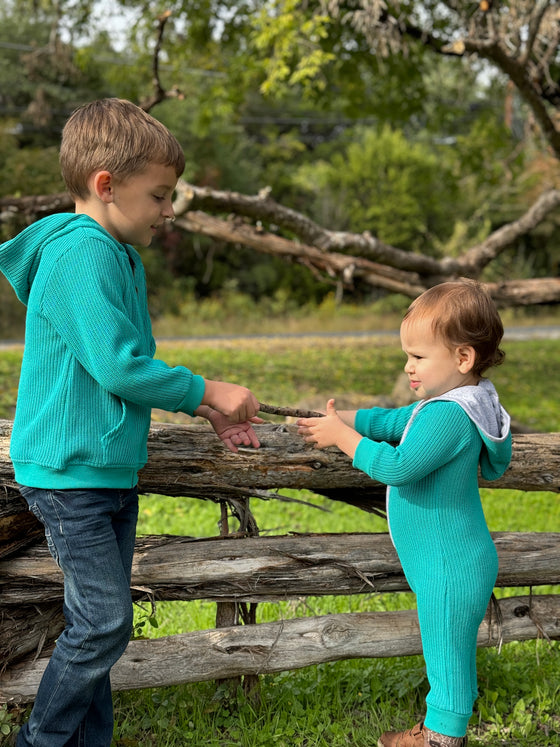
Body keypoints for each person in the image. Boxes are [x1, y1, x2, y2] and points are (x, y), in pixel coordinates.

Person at [0, 98, 262, 747]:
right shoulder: (80, 255)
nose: (169, 210)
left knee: (98, 623)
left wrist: (207, 409)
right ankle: (39, 741)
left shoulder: (114, 253)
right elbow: (120, 367)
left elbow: (127, 365)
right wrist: (207, 386)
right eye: (160, 195)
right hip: (69, 473)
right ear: (106, 185)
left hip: (105, 470)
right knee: (104, 623)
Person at [297, 280, 512, 747]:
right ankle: (441, 730)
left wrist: (341, 438)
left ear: (462, 359)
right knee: (447, 650)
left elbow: (399, 466)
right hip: (448, 560)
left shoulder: (449, 417)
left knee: (447, 655)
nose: (408, 367)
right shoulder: (449, 406)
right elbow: (392, 421)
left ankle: (439, 739)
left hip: (450, 565)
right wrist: (340, 418)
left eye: (418, 356)